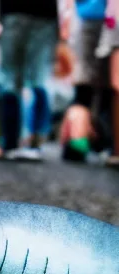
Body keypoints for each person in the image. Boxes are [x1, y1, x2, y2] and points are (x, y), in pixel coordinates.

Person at [0, 0, 70, 161]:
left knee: (11, 78)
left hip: (14, 12)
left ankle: (10, 142)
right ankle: (34, 143)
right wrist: (65, 19)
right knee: (39, 78)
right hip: (45, 14)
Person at [59, 0, 117, 163]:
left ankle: (79, 143)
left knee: (87, 84)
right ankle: (97, 142)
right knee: (108, 87)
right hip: (106, 18)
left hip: (91, 17)